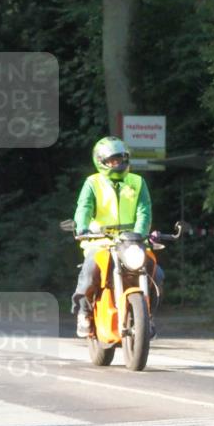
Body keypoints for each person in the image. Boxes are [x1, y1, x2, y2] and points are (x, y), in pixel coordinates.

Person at [71, 136, 153, 337]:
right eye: (113, 160)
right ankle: (84, 313)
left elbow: (144, 211)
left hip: (131, 242)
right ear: (101, 161)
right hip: (100, 242)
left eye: (121, 159)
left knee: (155, 271)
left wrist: (140, 234)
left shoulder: (138, 182)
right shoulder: (93, 183)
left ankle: (147, 318)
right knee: (91, 270)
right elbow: (84, 208)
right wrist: (82, 228)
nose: (118, 164)